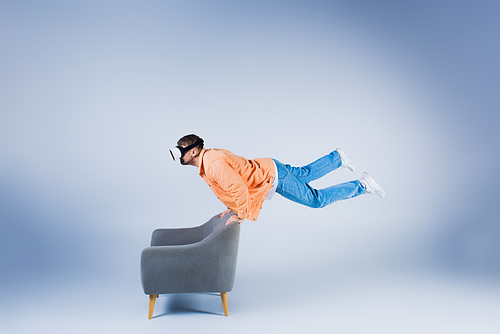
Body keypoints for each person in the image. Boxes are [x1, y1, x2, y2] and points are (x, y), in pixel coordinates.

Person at [169, 134, 385, 225]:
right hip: (268, 166)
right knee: (305, 173)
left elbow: (239, 189)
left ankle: (362, 185)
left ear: (195, 152)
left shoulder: (213, 164)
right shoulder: (210, 159)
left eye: (181, 151)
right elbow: (233, 185)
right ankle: (337, 158)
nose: (179, 155)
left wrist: (241, 215)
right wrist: (232, 207)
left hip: (272, 176)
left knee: (316, 200)